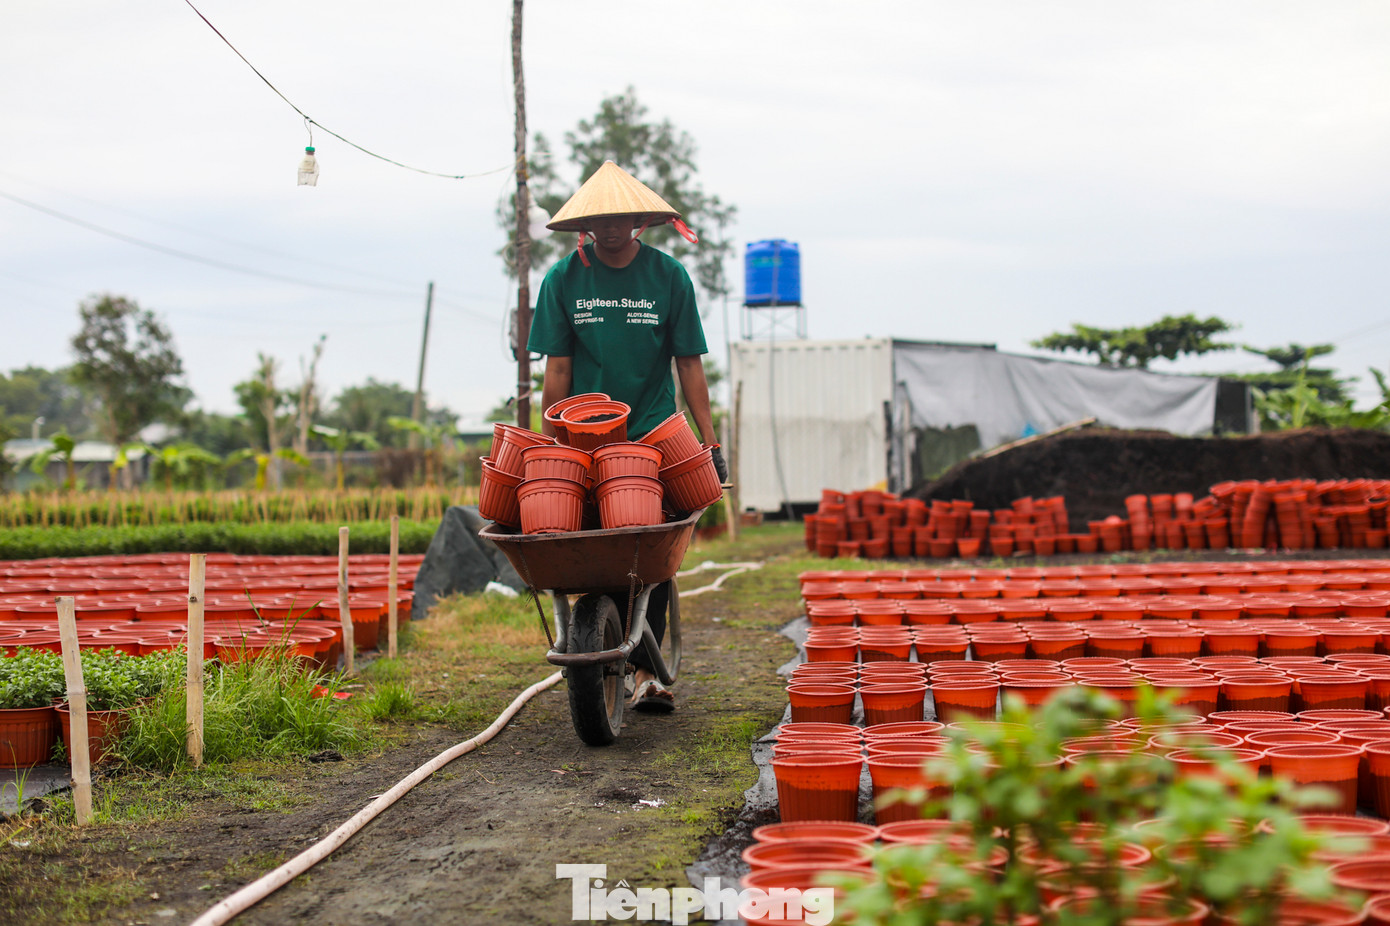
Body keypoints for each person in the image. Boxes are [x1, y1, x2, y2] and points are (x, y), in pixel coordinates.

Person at [527, 160, 727, 714]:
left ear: (639, 219)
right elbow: (558, 370)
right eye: (600, 220)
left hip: (652, 434)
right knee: (600, 543)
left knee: (649, 546)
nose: (610, 228)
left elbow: (689, 364)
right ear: (585, 224)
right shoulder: (563, 279)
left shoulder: (668, 276)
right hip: (583, 438)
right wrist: (547, 447)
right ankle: (608, 643)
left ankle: (646, 671)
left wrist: (709, 442)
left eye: (620, 218)